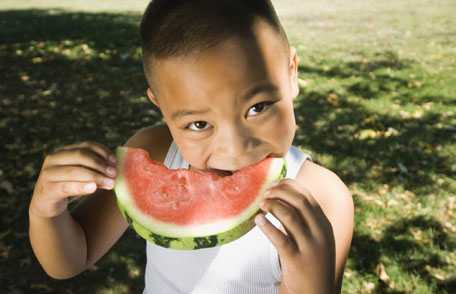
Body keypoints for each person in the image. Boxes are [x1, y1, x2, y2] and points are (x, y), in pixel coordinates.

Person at [28, 0, 354, 293]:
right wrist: (46, 211)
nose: (236, 149)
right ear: (161, 108)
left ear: (292, 74)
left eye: (259, 107)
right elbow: (72, 259)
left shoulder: (326, 199)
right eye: (199, 125)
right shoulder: (153, 150)